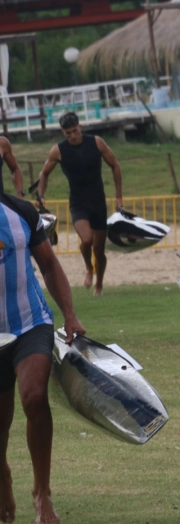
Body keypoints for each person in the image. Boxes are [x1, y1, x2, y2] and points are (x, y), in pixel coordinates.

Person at [0, 192, 86, 524]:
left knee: (35, 397)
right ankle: (3, 475)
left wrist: (70, 314)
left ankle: (42, 492)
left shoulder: (20, 211)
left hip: (29, 323)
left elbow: (48, 264)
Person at [36, 112, 124, 296]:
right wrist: (41, 194)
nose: (73, 136)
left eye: (75, 131)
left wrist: (118, 197)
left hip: (98, 201)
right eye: (68, 133)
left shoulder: (97, 142)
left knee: (99, 250)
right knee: (86, 240)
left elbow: (115, 165)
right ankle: (88, 267)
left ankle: (99, 284)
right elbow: (44, 173)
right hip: (78, 203)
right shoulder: (58, 151)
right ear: (63, 133)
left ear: (80, 127)